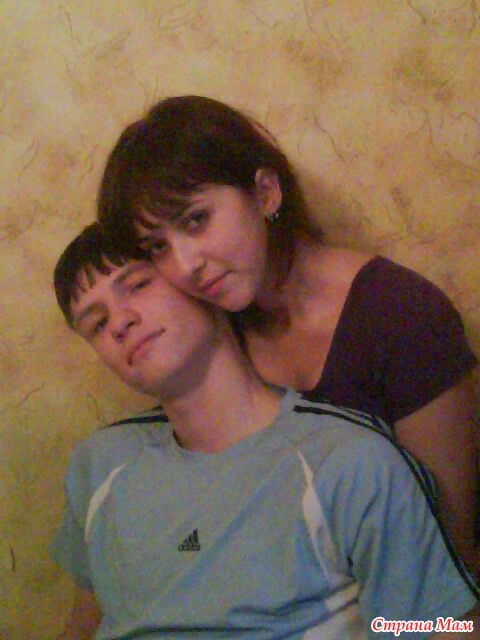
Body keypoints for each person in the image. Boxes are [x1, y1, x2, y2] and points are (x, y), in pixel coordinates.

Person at [96, 95, 479, 572]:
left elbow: (451, 548)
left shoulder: (403, 316)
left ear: (265, 193)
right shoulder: (212, 336)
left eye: (196, 220)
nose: (185, 265)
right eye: (158, 247)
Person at [51, 222, 479, 639]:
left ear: (196, 284)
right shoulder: (101, 464)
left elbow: (443, 626)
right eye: (96, 323)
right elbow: (87, 620)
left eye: (138, 285)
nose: (120, 322)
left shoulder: (348, 462)